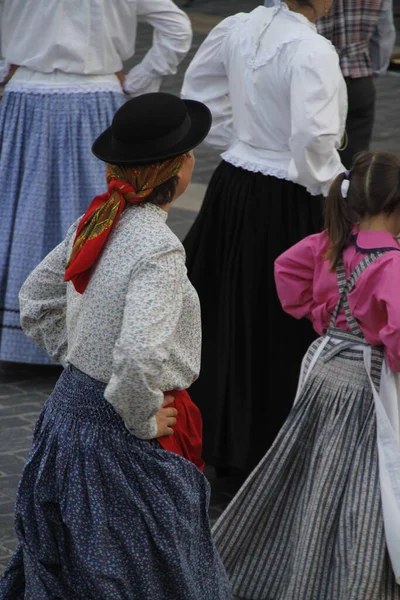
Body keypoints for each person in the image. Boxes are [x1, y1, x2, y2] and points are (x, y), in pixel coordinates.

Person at [0, 93, 232, 600]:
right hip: (117, 436)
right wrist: (143, 417)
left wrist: (81, 357)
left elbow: (34, 300)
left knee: (76, 563)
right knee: (143, 571)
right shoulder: (160, 248)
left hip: (68, 414)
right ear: (180, 166)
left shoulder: (100, 220)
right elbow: (138, 357)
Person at [213, 151, 400, 599]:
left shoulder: (330, 242)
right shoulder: (392, 265)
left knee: (309, 466)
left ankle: (282, 559)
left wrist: (323, 317)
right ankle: (351, 579)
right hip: (367, 384)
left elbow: (287, 269)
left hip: (323, 370)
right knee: (365, 479)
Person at [180, 0, 347, 477]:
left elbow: (200, 97)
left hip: (235, 183)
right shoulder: (311, 49)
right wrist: (338, 189)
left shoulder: (239, 26)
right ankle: (265, 452)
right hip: (288, 196)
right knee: (276, 321)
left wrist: (246, 140)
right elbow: (314, 140)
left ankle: (217, 439)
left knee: (227, 309)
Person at [0, 0, 192, 365]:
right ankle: (92, 330)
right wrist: (140, 80)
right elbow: (177, 29)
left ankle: (24, 325)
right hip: (95, 97)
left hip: (27, 94)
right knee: (99, 211)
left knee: (17, 205)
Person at [318, 0, 396, 168]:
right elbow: (384, 33)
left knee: (314, 154)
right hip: (358, 75)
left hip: (315, 75)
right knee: (355, 159)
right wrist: (374, 69)